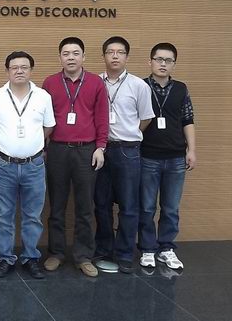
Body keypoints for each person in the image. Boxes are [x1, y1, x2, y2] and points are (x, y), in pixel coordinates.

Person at [42, 37, 109, 277]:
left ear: (84, 56)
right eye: (66, 53)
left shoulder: (95, 83)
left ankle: (83, 256)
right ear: (60, 57)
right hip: (57, 150)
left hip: (86, 150)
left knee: (84, 207)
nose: (71, 57)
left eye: (75, 53)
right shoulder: (50, 83)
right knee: (56, 204)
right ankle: (56, 253)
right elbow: (43, 118)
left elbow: (102, 117)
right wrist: (43, 147)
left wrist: (101, 147)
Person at [0, 51, 55, 279]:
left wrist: (33, 146)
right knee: (3, 215)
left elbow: (49, 127)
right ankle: (5, 258)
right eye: (14, 67)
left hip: (34, 165)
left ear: (31, 70)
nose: (19, 71)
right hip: (4, 165)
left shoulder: (43, 97)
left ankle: (30, 257)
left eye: (24, 67)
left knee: (32, 215)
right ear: (7, 70)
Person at [95, 36, 154, 273]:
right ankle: (103, 250)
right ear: (104, 56)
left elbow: (146, 118)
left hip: (128, 150)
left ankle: (125, 254)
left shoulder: (139, 85)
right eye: (110, 52)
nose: (115, 56)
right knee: (101, 203)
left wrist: (128, 135)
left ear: (127, 57)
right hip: (100, 149)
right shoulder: (95, 82)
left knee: (129, 205)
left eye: (120, 52)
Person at [138, 42, 196, 270]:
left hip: (176, 157)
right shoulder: (141, 86)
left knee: (171, 207)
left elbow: (188, 120)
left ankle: (166, 248)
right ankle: (147, 248)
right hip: (147, 155)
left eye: (168, 60)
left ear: (174, 64)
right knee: (147, 207)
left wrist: (192, 150)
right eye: (159, 59)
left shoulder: (181, 89)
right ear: (150, 62)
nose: (163, 64)